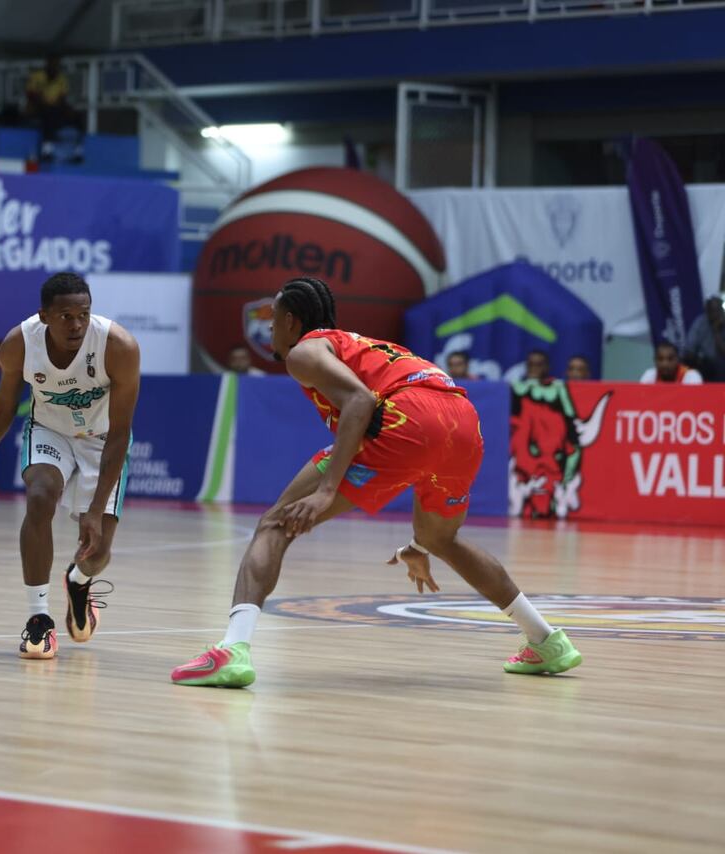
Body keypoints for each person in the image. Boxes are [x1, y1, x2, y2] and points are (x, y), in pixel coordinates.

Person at [170, 277, 581, 688]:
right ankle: (546, 640)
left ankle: (233, 650)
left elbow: (361, 401)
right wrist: (418, 545)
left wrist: (327, 490)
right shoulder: (362, 345)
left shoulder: (304, 351)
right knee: (442, 539)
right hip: (462, 419)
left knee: (275, 524)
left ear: (292, 322)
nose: (271, 331)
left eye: (273, 321)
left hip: (409, 417)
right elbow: (407, 413)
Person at [0, 273, 140, 659]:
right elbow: (4, 403)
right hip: (49, 430)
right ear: (44, 315)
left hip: (102, 439)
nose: (77, 323)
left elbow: (120, 433)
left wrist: (95, 511)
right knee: (40, 497)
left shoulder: (119, 347)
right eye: (66, 315)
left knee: (97, 552)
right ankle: (39, 619)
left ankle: (78, 582)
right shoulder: (20, 344)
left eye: (83, 314)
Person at [24, 54, 84, 163]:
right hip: (38, 108)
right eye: (52, 64)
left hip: (56, 109)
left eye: (57, 65)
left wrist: (68, 110)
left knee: (78, 116)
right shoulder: (37, 76)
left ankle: (77, 151)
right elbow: (30, 94)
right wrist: (45, 103)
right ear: (47, 64)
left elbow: (63, 98)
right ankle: (47, 150)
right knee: (49, 113)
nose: (54, 67)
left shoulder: (61, 79)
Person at [683, 295, 724, 381]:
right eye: (711, 310)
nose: (714, 314)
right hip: (704, 362)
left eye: (717, 310)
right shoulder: (700, 323)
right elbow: (690, 349)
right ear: (707, 310)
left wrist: (716, 331)